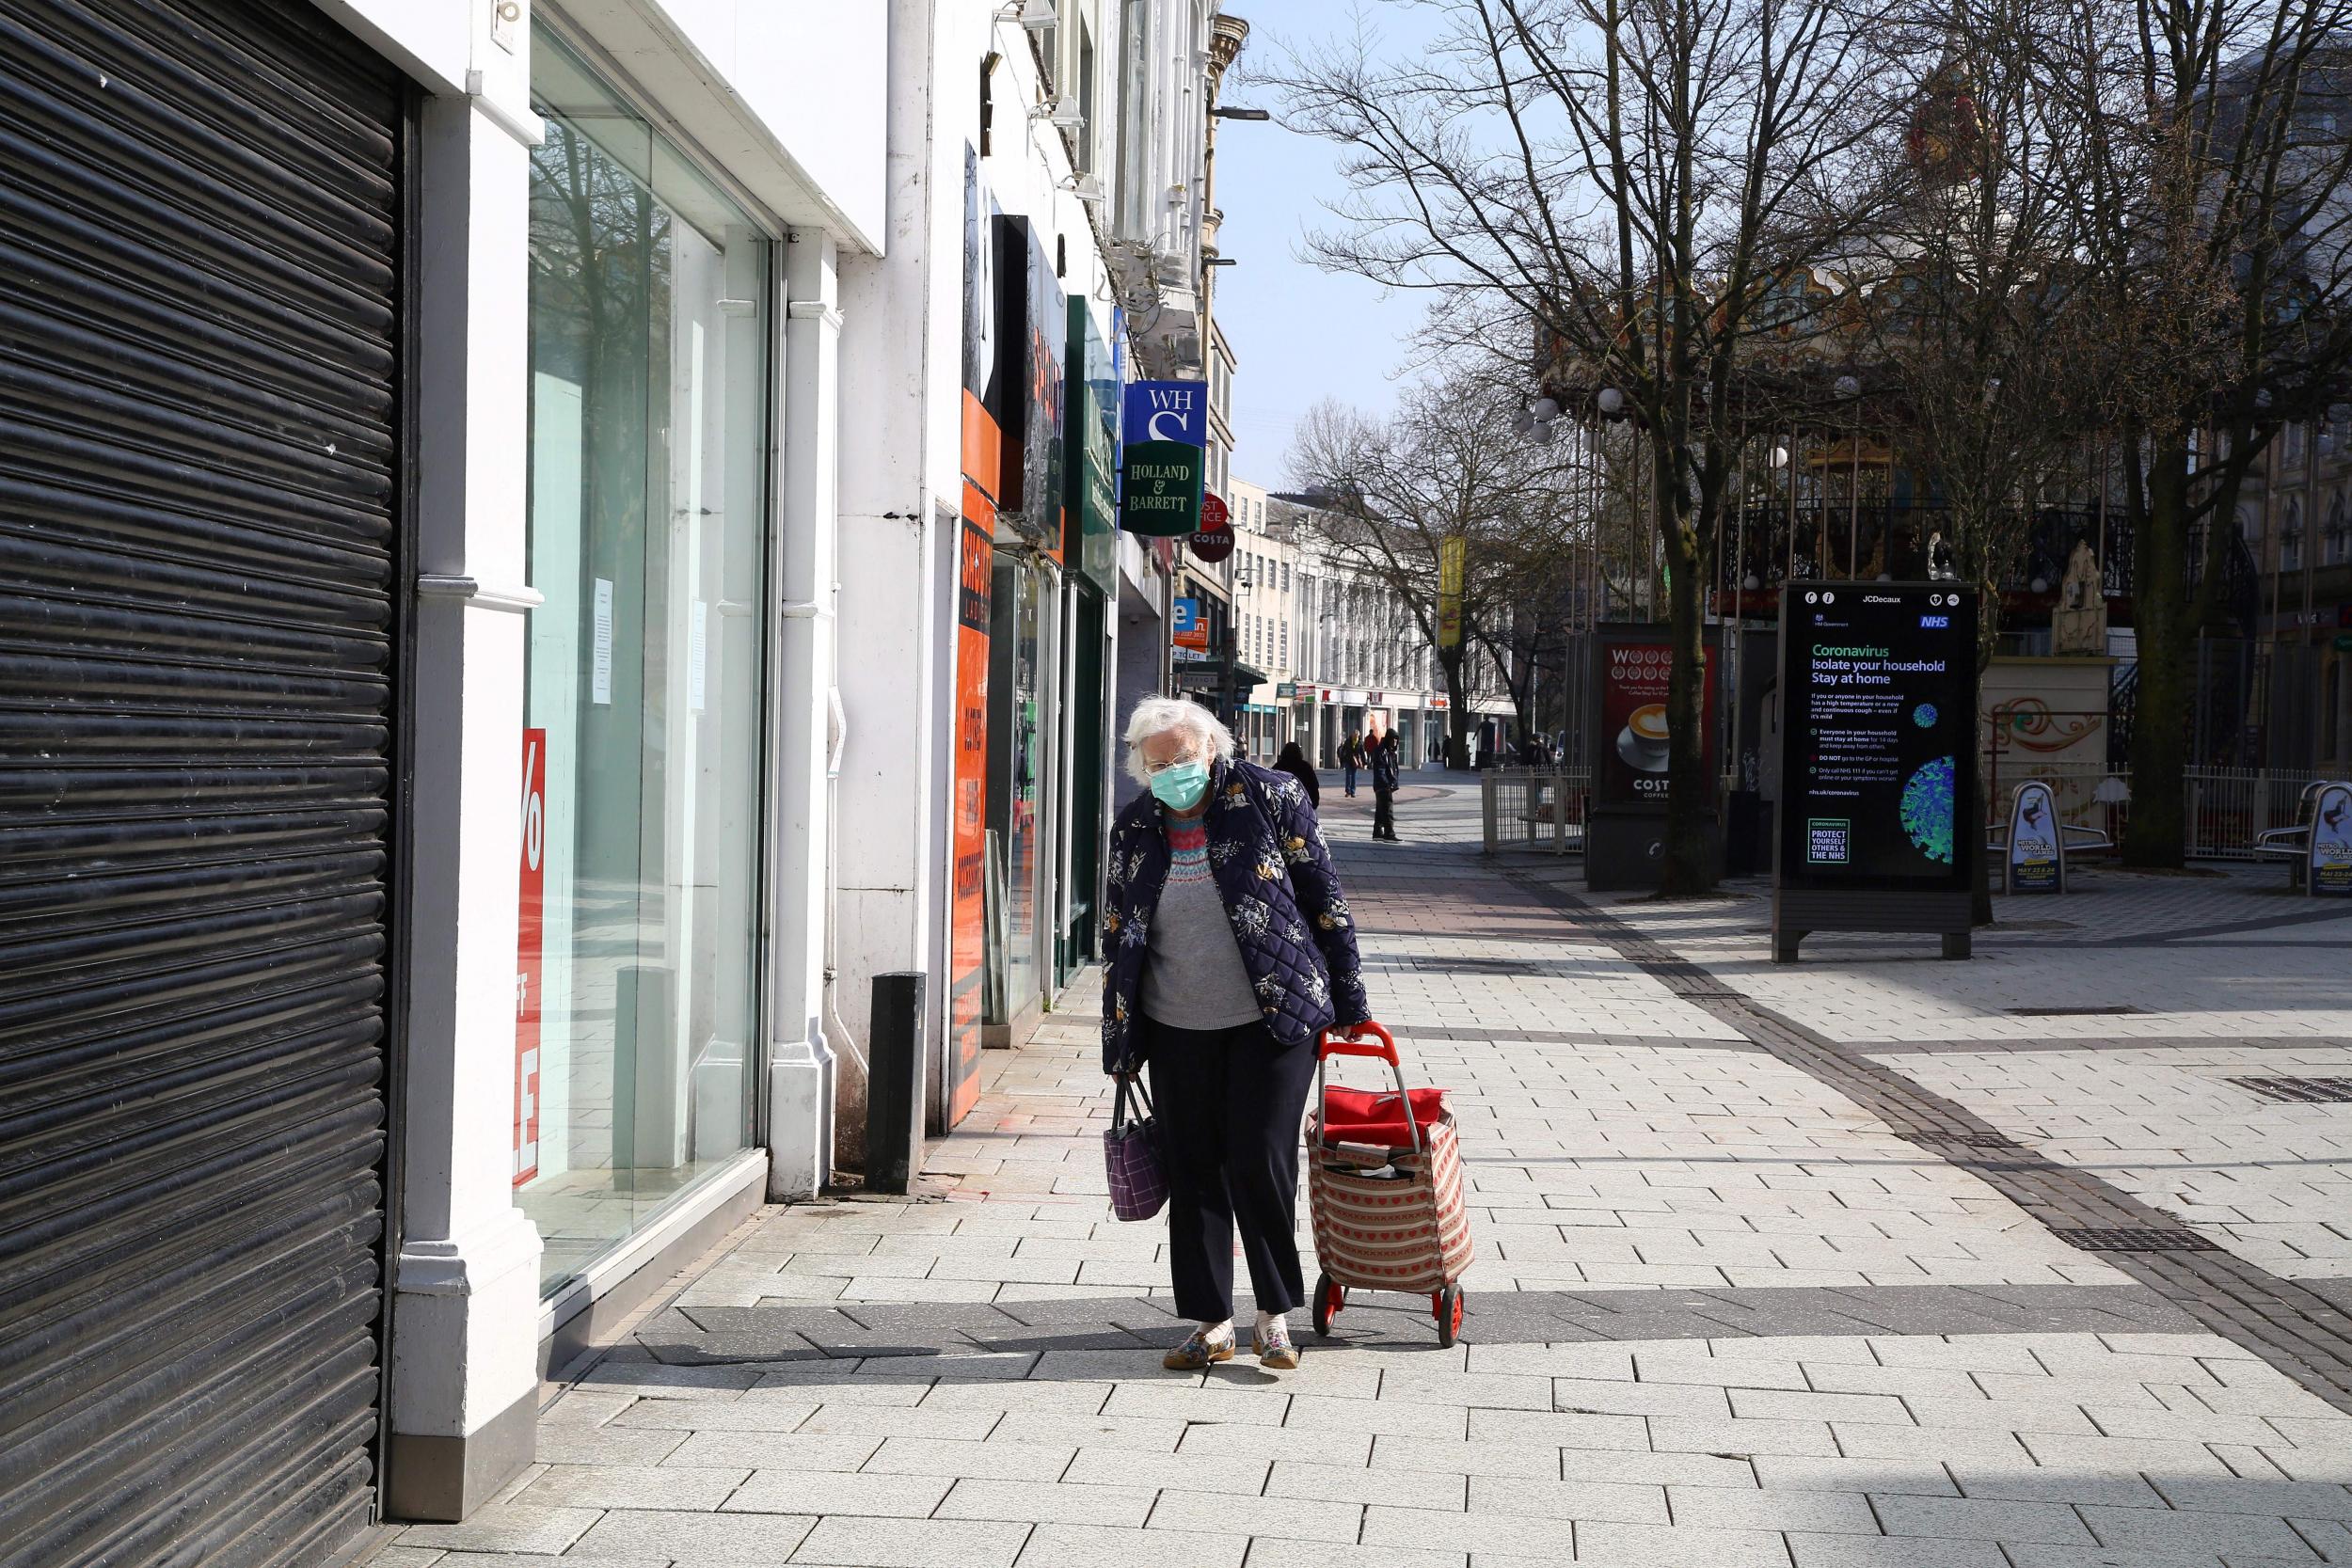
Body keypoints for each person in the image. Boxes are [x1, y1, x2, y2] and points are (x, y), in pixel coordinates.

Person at [1101, 697, 1373, 1373]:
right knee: (1192, 1169)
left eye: (1183, 758)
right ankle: (1211, 1322)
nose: (1172, 772)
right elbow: (1118, 932)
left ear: (1213, 747)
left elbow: (1325, 897)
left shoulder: (1272, 797)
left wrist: (1351, 1000)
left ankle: (1274, 1317)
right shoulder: (1135, 826)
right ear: (1142, 765)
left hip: (1273, 1018)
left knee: (1259, 1160)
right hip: (1175, 1024)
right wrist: (1120, 1038)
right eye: (1158, 762)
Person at [1368, 723, 1401, 841]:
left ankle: (1377, 832)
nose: (1395, 742)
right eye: (1393, 739)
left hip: (1385, 785)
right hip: (1383, 785)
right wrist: (1387, 783)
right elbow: (1380, 770)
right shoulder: (1382, 751)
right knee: (1387, 809)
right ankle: (1389, 833)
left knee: (1381, 809)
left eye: (1397, 739)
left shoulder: (1390, 752)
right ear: (1388, 739)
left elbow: (1393, 769)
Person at [1273, 739, 1320, 809]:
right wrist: (1314, 804)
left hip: (1284, 804)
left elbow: (1272, 784)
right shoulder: (1305, 766)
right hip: (1304, 803)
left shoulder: (1279, 766)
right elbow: (1314, 785)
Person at [1339, 731, 1360, 797]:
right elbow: (1343, 750)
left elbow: (1362, 752)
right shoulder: (1348, 741)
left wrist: (1364, 761)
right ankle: (1348, 791)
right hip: (1348, 760)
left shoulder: (1359, 742)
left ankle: (1353, 792)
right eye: (1355, 735)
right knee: (1348, 776)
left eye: (1357, 736)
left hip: (1355, 761)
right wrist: (1342, 759)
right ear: (1352, 735)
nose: (1356, 737)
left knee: (1354, 777)